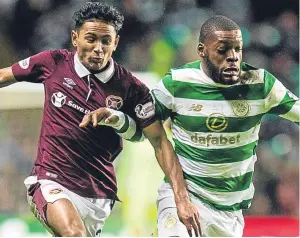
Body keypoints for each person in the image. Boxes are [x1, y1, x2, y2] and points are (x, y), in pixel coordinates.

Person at [0, 2, 201, 237]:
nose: (98, 48)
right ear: (75, 38)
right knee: (74, 233)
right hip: (50, 180)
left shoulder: (131, 88)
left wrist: (182, 199)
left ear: (115, 43)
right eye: (91, 39)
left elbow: (160, 142)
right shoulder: (53, 63)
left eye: (105, 41)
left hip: (98, 194)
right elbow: (4, 74)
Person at [150, 15, 299, 237]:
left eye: (238, 49)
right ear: (202, 50)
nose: (233, 57)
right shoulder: (177, 83)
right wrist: (116, 118)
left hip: (229, 210)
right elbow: (138, 124)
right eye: (223, 50)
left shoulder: (259, 84)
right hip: (185, 196)